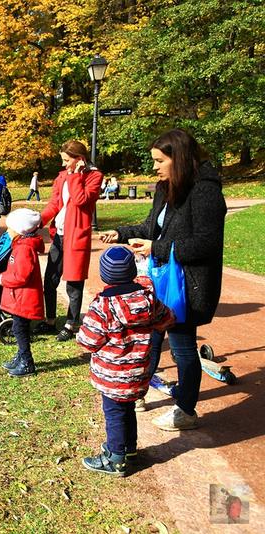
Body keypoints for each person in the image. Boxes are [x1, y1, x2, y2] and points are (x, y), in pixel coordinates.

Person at [100, 128, 226, 430]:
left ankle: (186, 411)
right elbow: (151, 225)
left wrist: (156, 247)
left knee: (182, 347)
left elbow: (207, 243)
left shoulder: (205, 191)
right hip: (158, 279)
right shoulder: (165, 186)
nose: (154, 167)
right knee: (151, 339)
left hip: (185, 286)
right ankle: (138, 392)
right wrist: (123, 233)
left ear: (179, 159)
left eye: (159, 160)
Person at [76, 246, 175, 476]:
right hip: (139, 371)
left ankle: (115, 458)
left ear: (105, 275)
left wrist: (82, 336)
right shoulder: (148, 299)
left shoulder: (103, 306)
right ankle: (129, 449)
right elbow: (167, 319)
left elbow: (88, 341)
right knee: (127, 408)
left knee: (115, 413)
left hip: (113, 375)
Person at [34, 140, 103, 341]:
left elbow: (81, 200)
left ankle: (71, 324)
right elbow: (55, 204)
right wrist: (39, 222)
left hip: (77, 238)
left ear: (79, 159)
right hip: (60, 235)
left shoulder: (94, 176)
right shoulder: (63, 176)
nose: (64, 165)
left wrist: (75, 176)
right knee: (50, 280)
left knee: (74, 284)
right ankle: (50, 320)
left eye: (67, 160)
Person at [0, 209, 44, 377]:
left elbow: (22, 276)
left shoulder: (24, 249)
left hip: (24, 298)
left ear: (20, 230)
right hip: (21, 297)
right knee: (19, 328)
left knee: (20, 329)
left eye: (10, 228)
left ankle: (27, 361)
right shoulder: (20, 245)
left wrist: (3, 279)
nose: (7, 231)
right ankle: (21, 356)